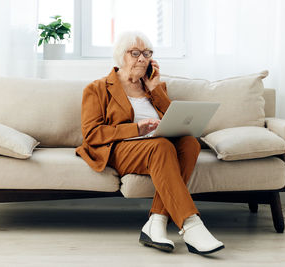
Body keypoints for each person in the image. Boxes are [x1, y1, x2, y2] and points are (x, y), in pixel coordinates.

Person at [75, 31, 224, 255]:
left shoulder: (154, 87)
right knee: (161, 146)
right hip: (119, 148)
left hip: (155, 144)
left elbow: (174, 116)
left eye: (147, 53)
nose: (142, 58)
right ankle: (191, 225)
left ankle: (156, 222)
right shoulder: (97, 89)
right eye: (135, 53)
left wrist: (155, 89)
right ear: (120, 56)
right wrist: (137, 128)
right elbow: (92, 134)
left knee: (190, 144)